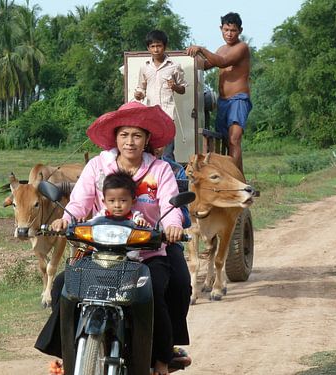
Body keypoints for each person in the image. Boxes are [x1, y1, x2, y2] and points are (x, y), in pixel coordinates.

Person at [35, 102, 192, 375]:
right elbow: (79, 203)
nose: (130, 142)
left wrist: (173, 227)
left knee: (162, 288)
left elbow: (170, 208)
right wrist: (65, 219)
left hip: (147, 251)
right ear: (115, 138)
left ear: (146, 140)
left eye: (137, 136)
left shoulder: (160, 170)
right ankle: (67, 353)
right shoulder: (98, 166)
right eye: (124, 135)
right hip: (100, 250)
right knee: (63, 284)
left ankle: (162, 358)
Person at [186, 12, 252, 173]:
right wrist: (188, 57)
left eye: (233, 30)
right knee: (227, 141)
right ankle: (239, 179)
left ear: (240, 31)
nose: (229, 34)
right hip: (223, 102)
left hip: (238, 99)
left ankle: (234, 177)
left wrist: (201, 48)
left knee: (234, 139)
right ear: (220, 29)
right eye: (226, 30)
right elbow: (206, 65)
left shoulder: (241, 47)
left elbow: (222, 62)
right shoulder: (221, 49)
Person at [134, 30, 188, 161]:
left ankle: (169, 178)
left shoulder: (174, 66)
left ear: (165, 46)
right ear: (148, 48)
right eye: (152, 46)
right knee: (149, 150)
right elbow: (141, 89)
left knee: (167, 152)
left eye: (159, 46)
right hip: (150, 114)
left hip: (167, 114)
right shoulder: (145, 67)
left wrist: (174, 86)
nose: (156, 49)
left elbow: (182, 89)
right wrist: (138, 95)